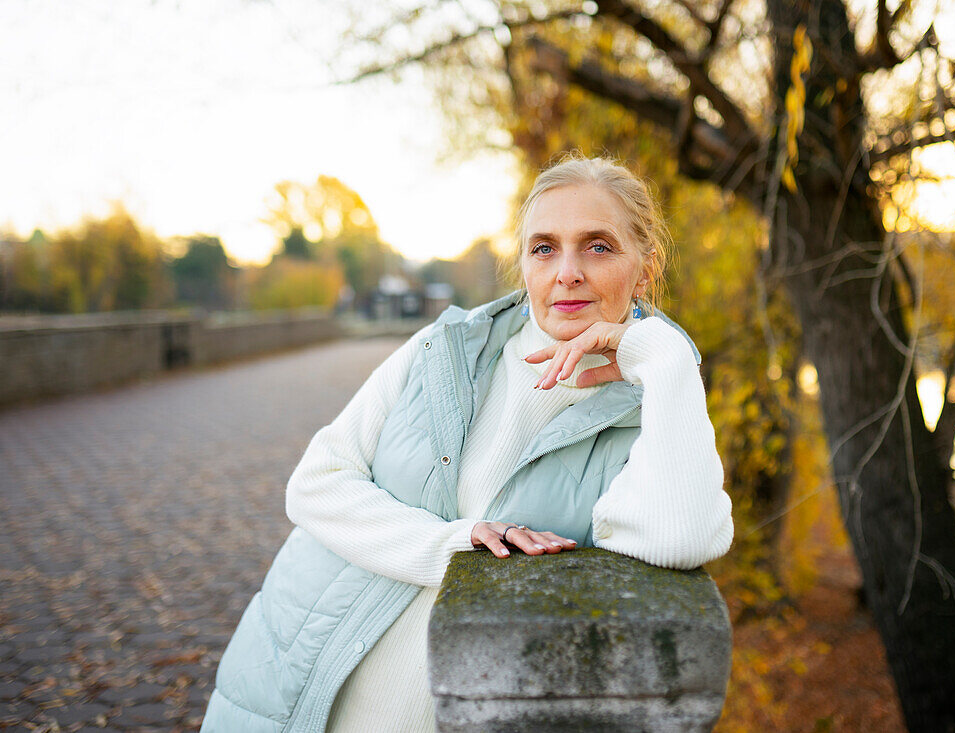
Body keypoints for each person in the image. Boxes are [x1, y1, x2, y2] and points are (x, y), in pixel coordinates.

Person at [200, 155, 735, 732]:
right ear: (524, 263)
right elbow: (314, 485)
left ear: (645, 266)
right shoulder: (448, 347)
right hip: (299, 694)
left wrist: (660, 354)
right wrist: (455, 544)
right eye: (544, 248)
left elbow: (685, 535)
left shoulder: (655, 405)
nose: (568, 272)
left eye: (599, 247)